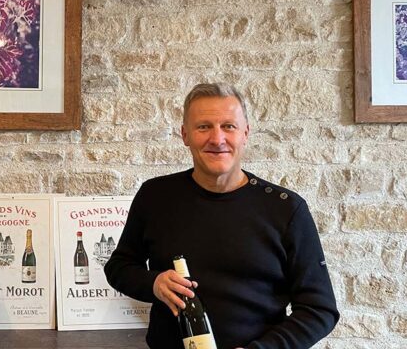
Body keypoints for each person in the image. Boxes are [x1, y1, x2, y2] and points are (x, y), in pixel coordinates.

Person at [104, 83, 339, 349]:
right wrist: (154, 282)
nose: (217, 139)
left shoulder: (286, 208)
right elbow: (119, 267)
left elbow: (319, 310)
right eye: (204, 127)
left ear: (245, 134)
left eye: (228, 126)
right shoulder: (155, 196)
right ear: (185, 135)